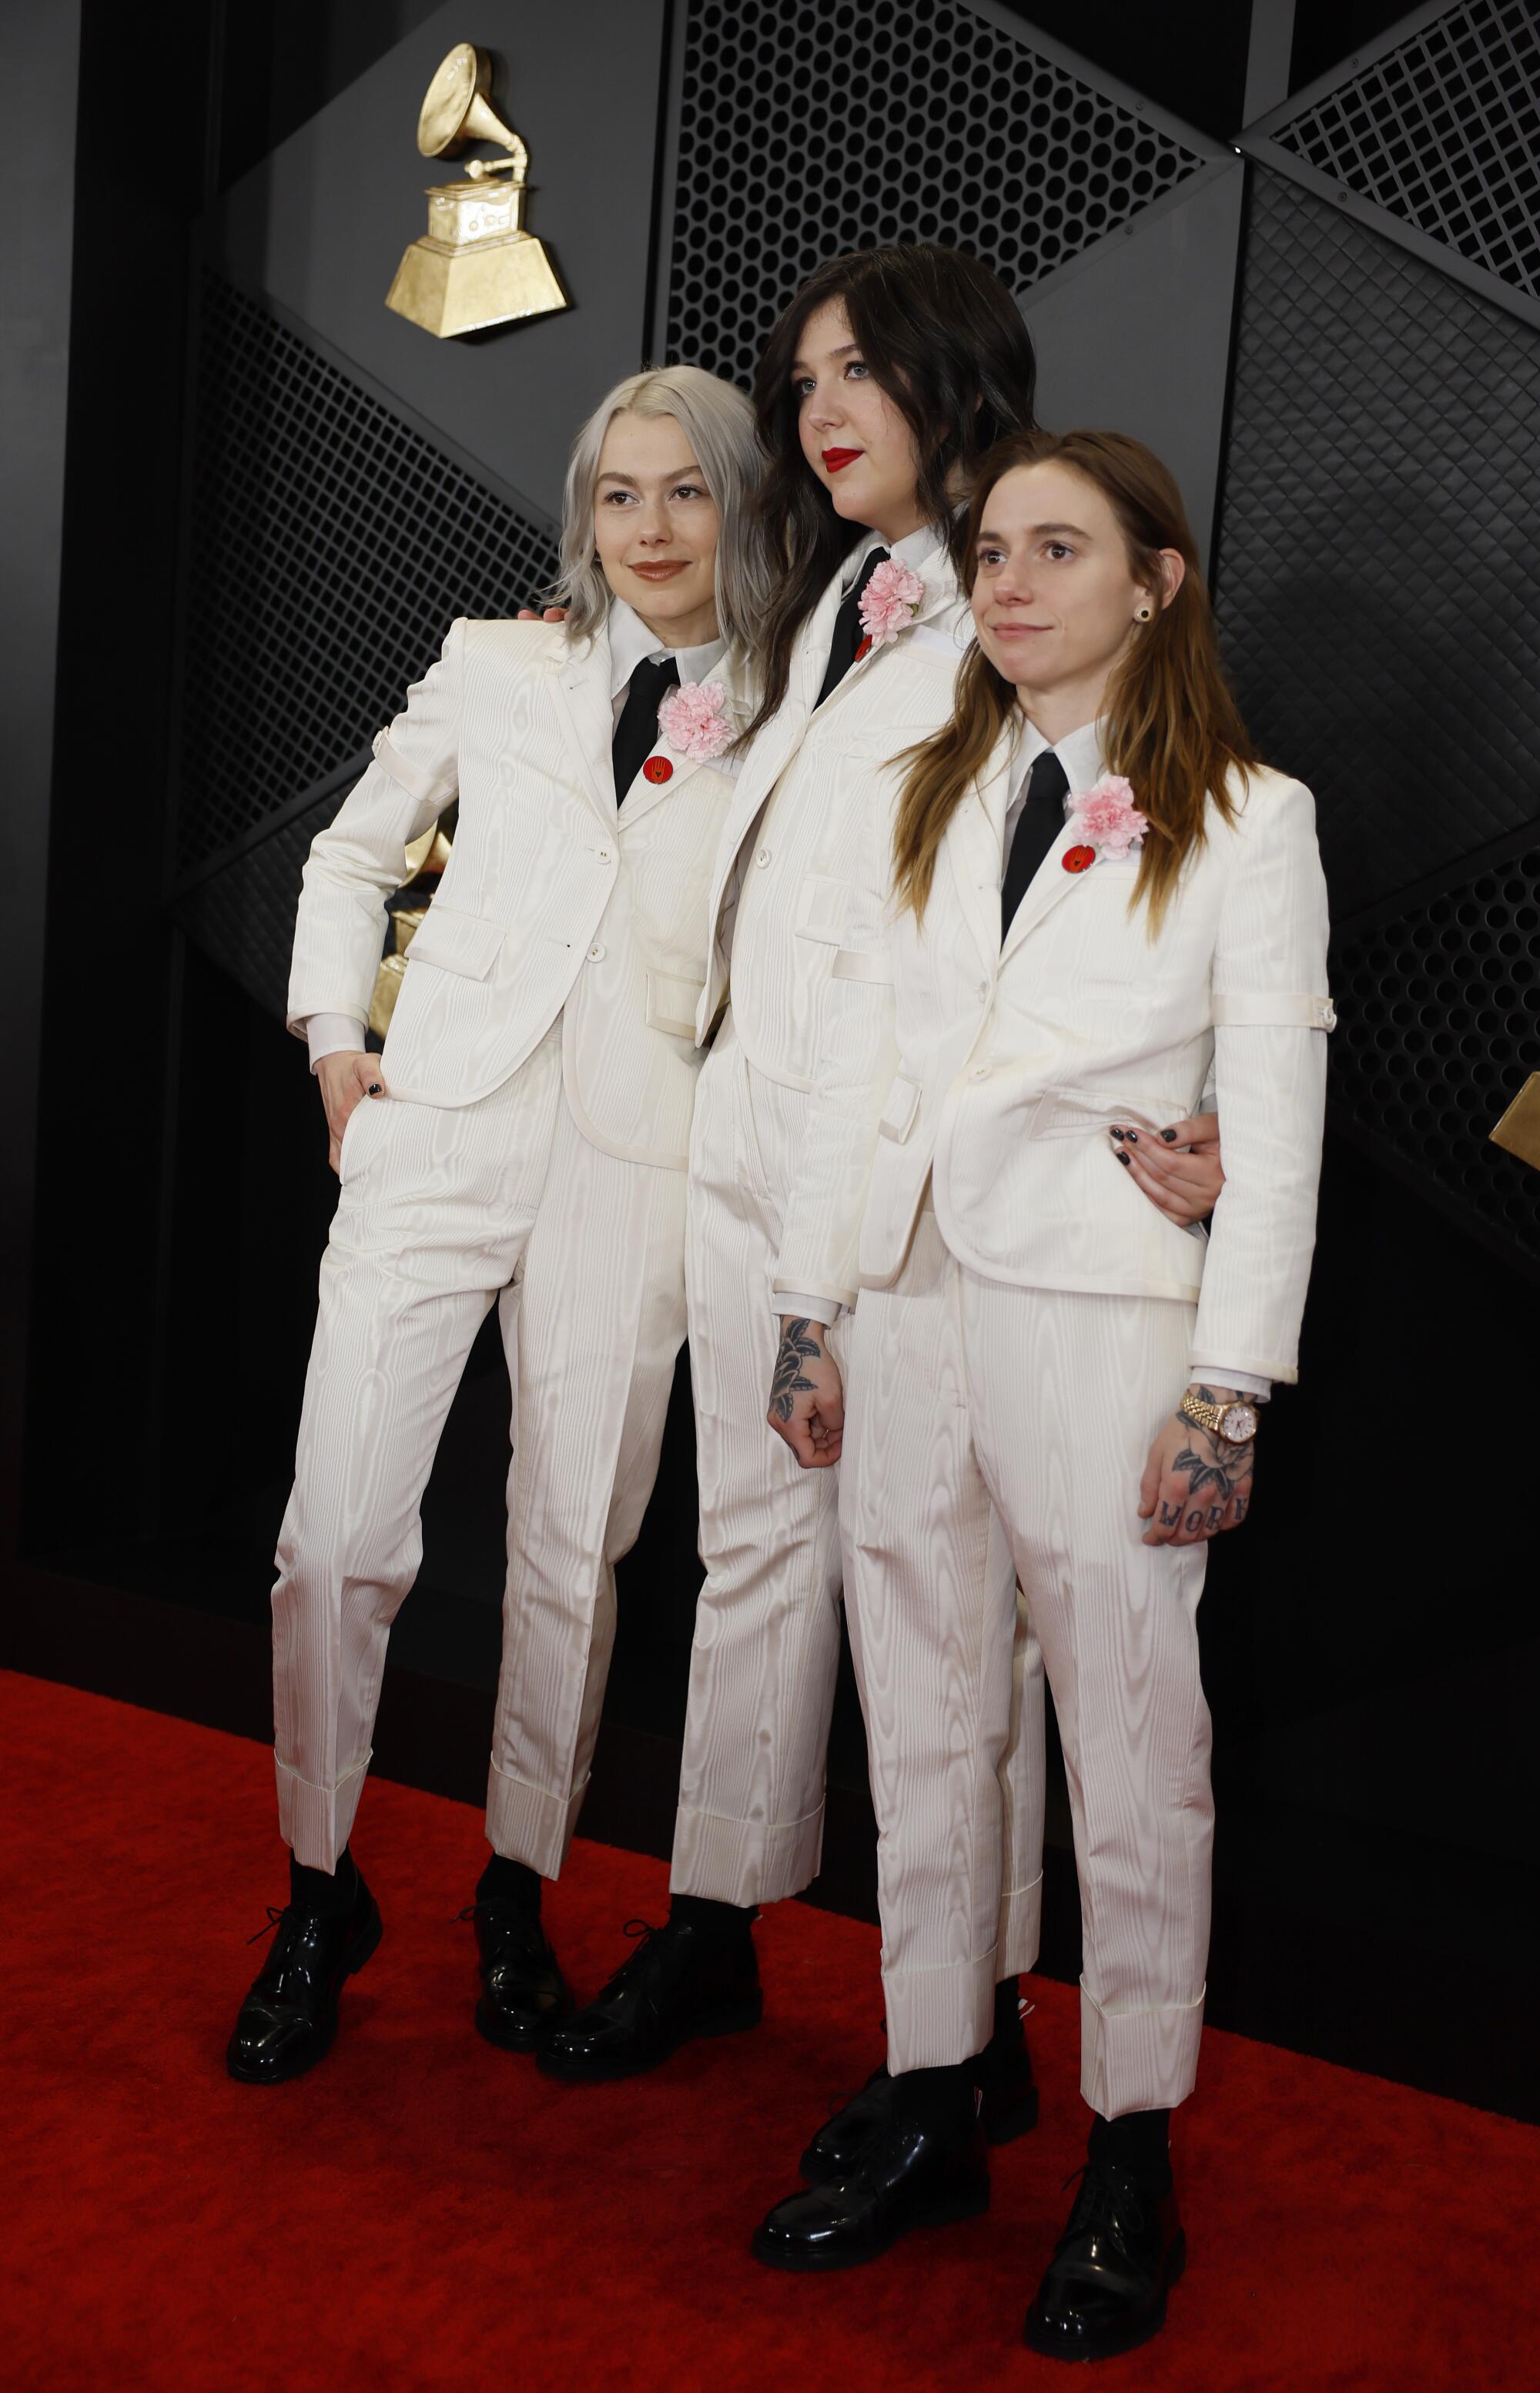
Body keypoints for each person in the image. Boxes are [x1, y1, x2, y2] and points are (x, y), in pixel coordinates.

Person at [537, 253, 1224, 2136]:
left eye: (862, 373)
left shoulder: (1020, 605)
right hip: (748, 1140)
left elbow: (1136, 860)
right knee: (750, 1548)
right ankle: (715, 1914)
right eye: (803, 375)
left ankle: (973, 2026)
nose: (821, 405)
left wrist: (1215, 1106)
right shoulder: (840, 587)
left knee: (952, 1612)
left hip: (909, 1186)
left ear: (954, 377)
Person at [752, 430, 1331, 2361]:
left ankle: (1129, 2143)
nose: (1007, 584)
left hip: (1101, 1321)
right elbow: (864, 1073)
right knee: (919, 1715)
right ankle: (939, 2085)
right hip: (907, 1304)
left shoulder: (1249, 818)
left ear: (1155, 582)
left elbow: (1279, 1129)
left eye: (1057, 551)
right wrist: (813, 1305)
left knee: (1128, 1746)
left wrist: (1228, 1391)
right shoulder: (937, 786)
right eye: (991, 551)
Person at [226, 366, 766, 2085]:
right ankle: (320, 1887)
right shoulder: (497, 657)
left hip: (639, 1164)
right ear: (582, 513)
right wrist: (334, 1041)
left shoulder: (794, 706)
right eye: (621, 496)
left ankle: (514, 1891)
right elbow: (347, 856)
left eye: (687, 493)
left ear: (739, 505)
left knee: (570, 1555)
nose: (654, 530)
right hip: (434, 1129)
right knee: (336, 1543)